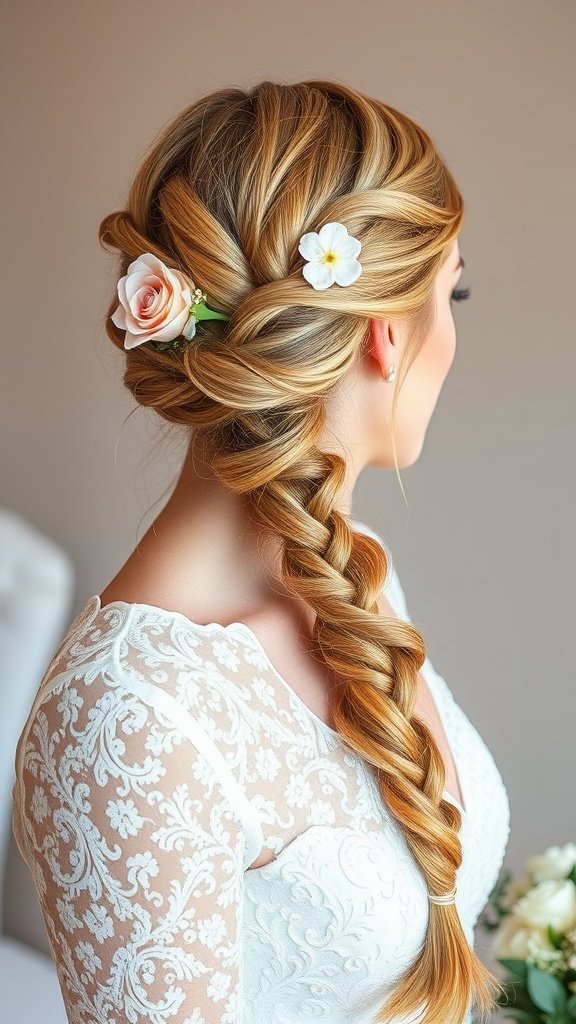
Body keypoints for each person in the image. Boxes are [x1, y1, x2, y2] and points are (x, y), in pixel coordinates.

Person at [12, 79, 510, 1024]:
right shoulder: (126, 724)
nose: (456, 333)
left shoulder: (351, 565)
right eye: (458, 292)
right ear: (385, 335)